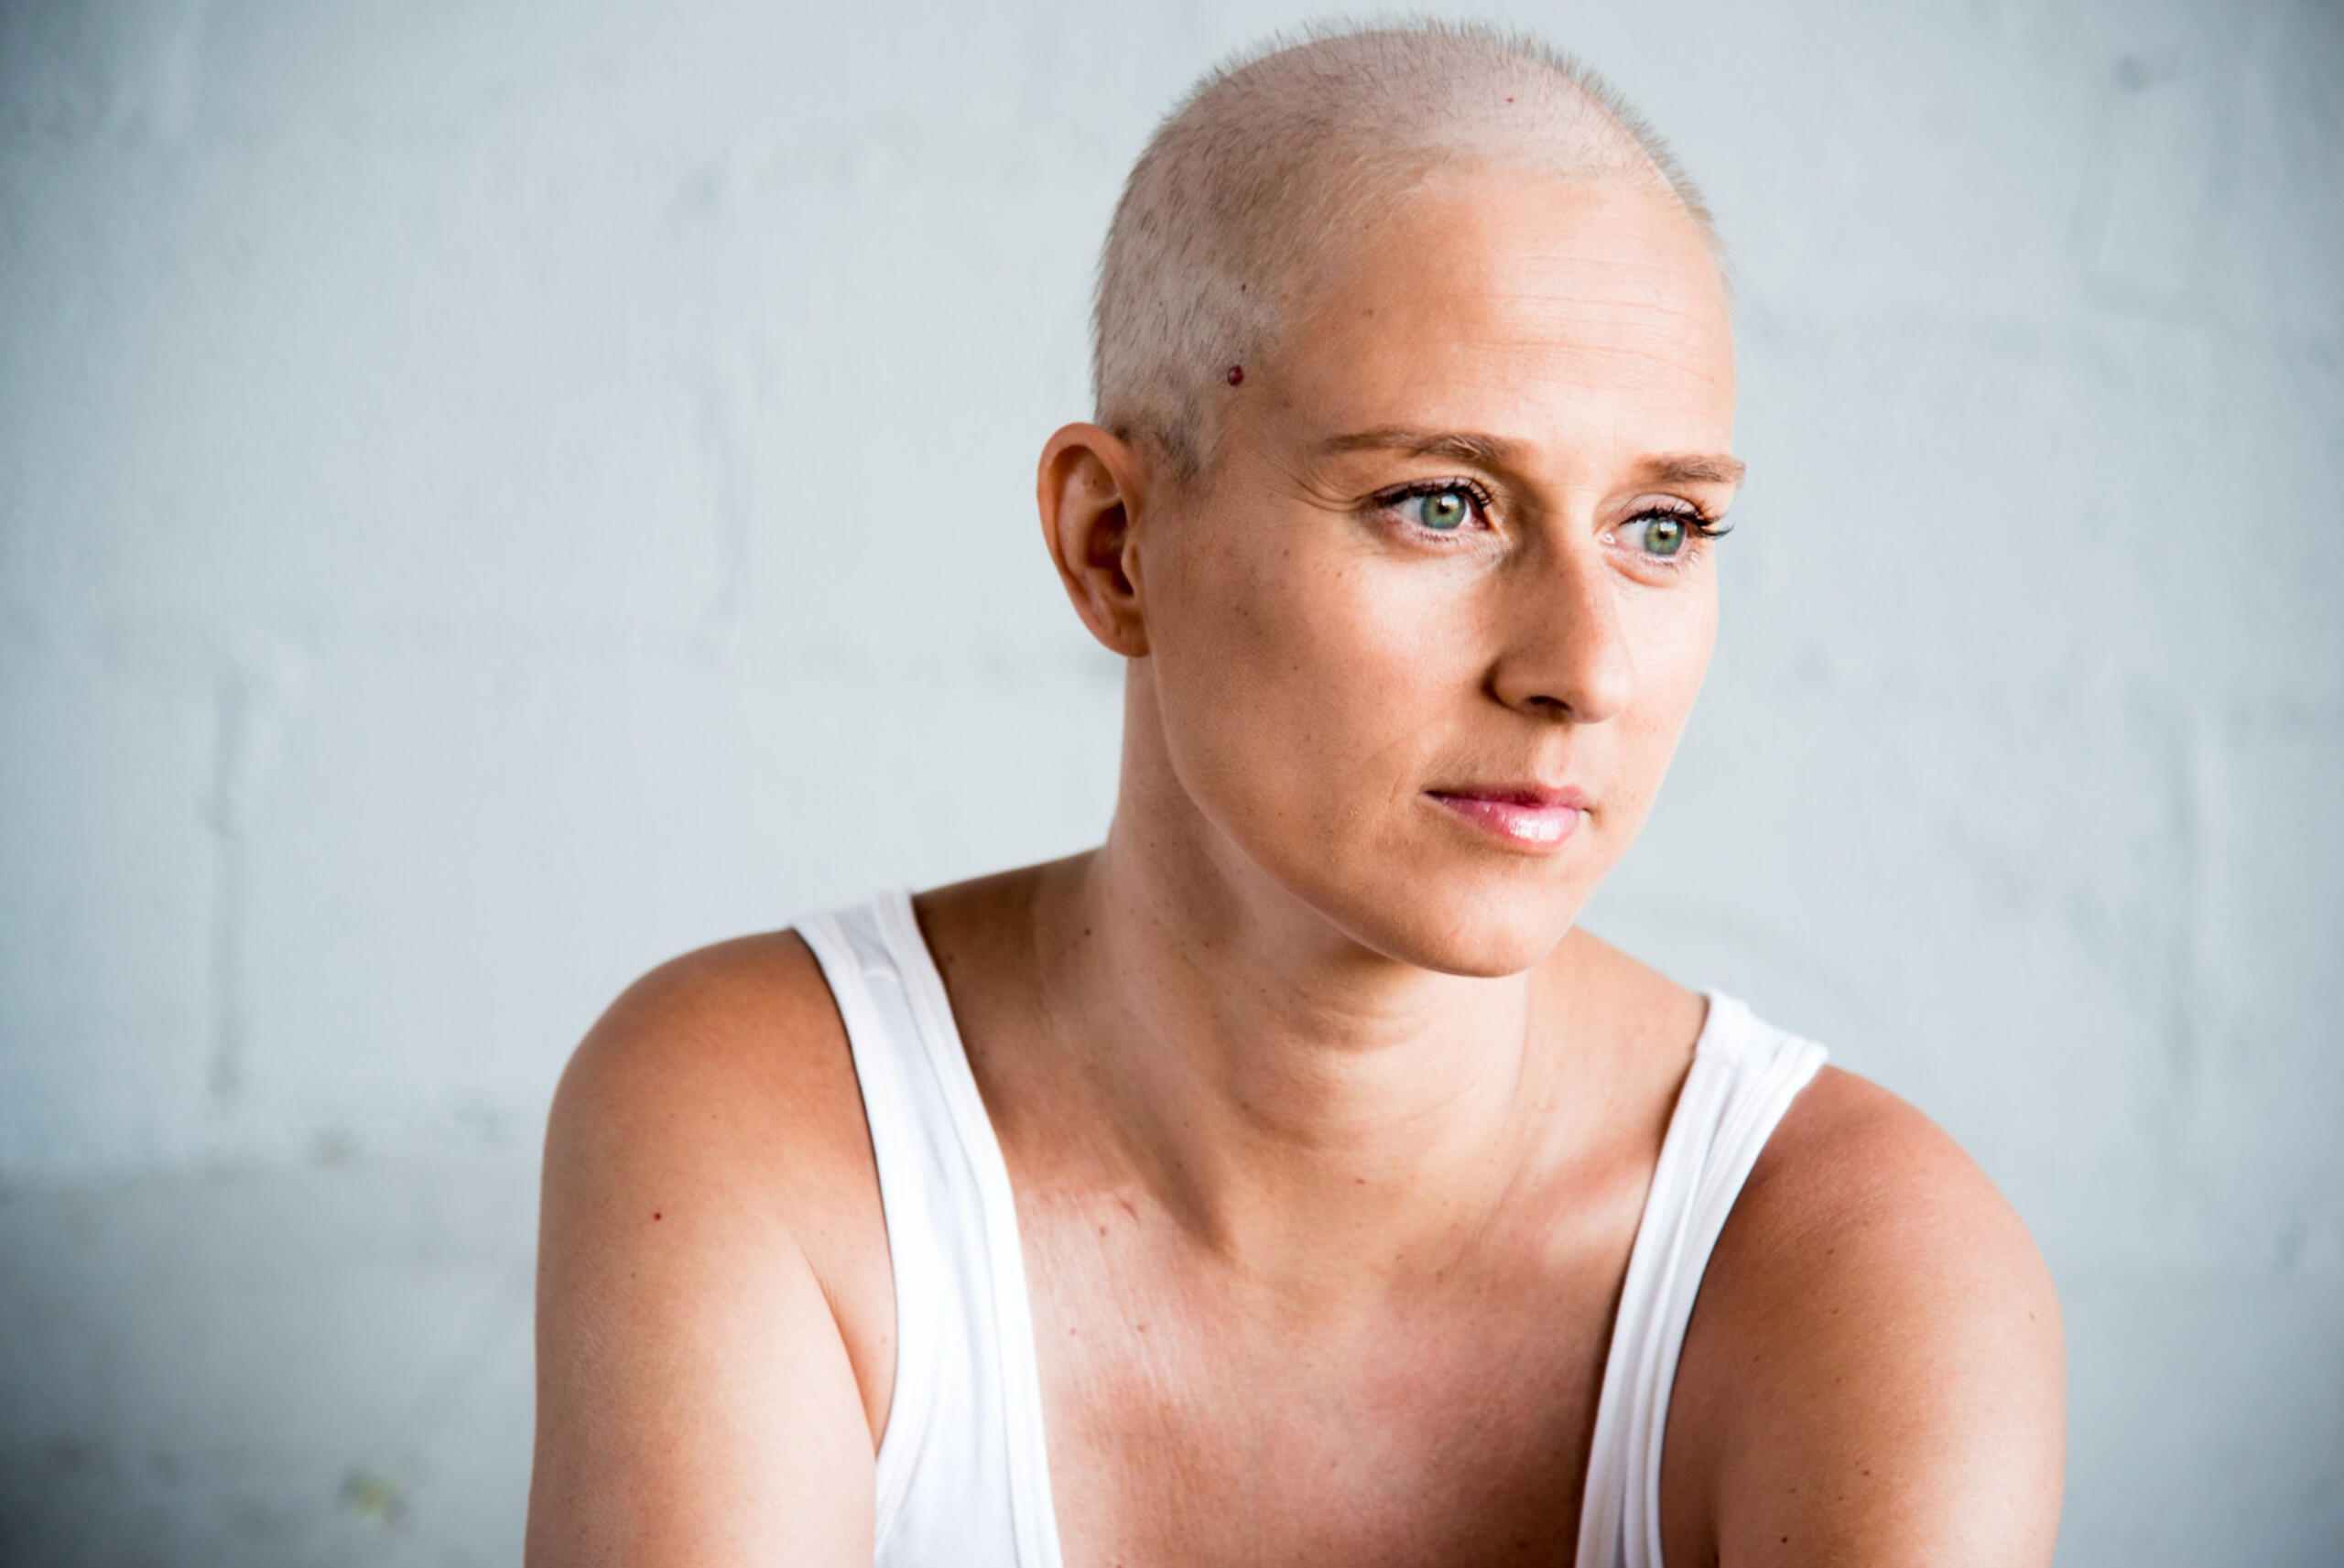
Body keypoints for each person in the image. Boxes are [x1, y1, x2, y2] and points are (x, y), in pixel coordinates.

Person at [526, 21, 2065, 1567]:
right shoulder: (773, 1133)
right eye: (1442, 503)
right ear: (1116, 545)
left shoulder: (1866, 1271)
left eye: (1663, 527)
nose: (1583, 667)